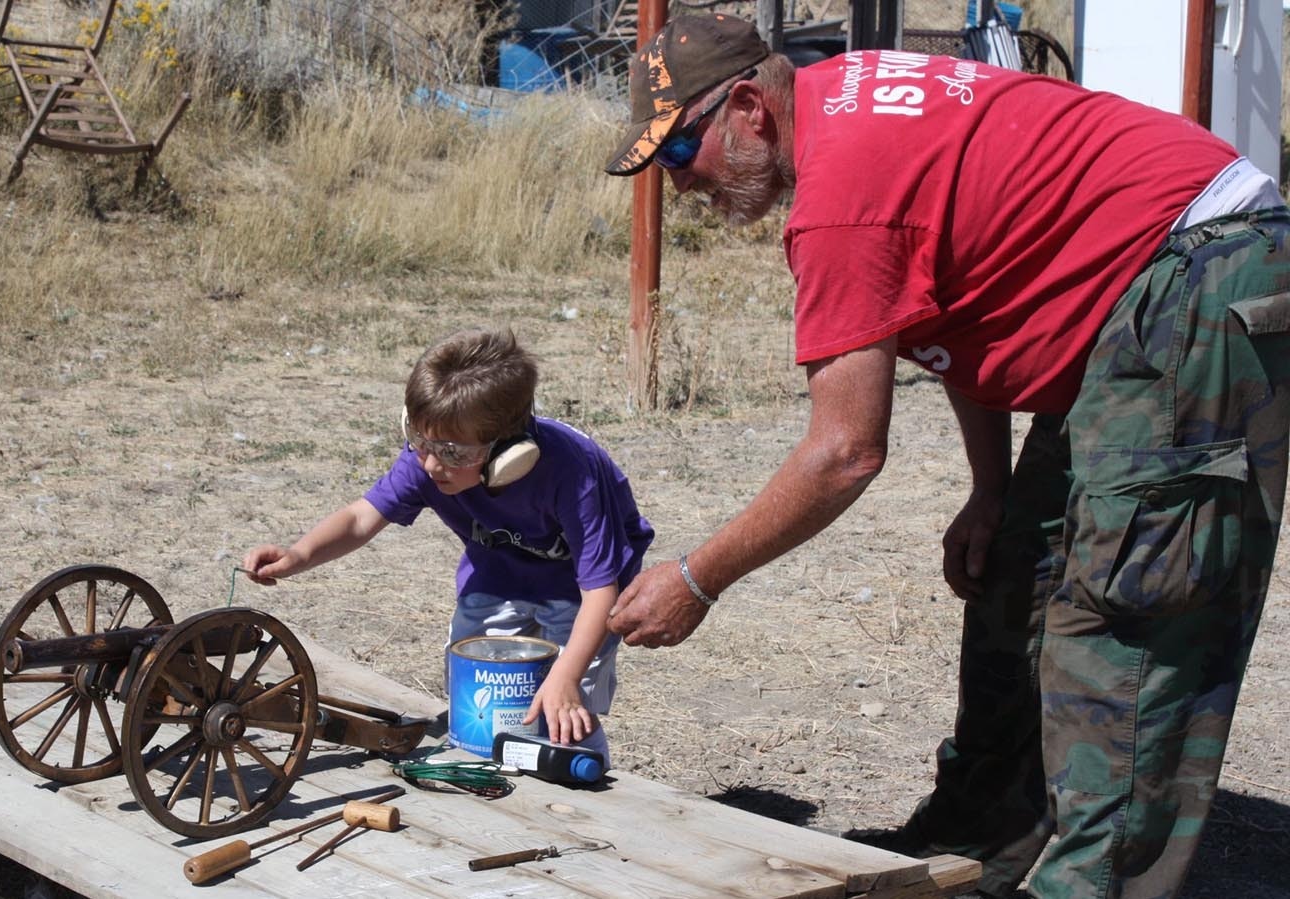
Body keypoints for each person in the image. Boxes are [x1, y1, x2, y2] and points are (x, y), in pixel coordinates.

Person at [601, 13, 1290, 899]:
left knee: (1130, 612)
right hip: (1137, 287)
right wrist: (989, 489)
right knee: (1022, 570)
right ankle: (974, 849)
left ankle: (1092, 882)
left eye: (678, 152)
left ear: (746, 107)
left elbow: (844, 451)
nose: (679, 184)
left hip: (1198, 268)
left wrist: (697, 578)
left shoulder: (837, 202)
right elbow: (959, 297)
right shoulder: (838, 107)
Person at [243, 328, 654, 759]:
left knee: (561, 711)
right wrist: (299, 554)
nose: (432, 463)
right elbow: (362, 517)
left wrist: (567, 676)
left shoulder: (572, 473)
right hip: (497, 579)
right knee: (477, 699)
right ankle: (497, 774)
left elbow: (599, 591)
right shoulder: (428, 460)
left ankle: (576, 767)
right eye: (419, 441)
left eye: (454, 452)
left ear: (508, 452)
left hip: (579, 595)